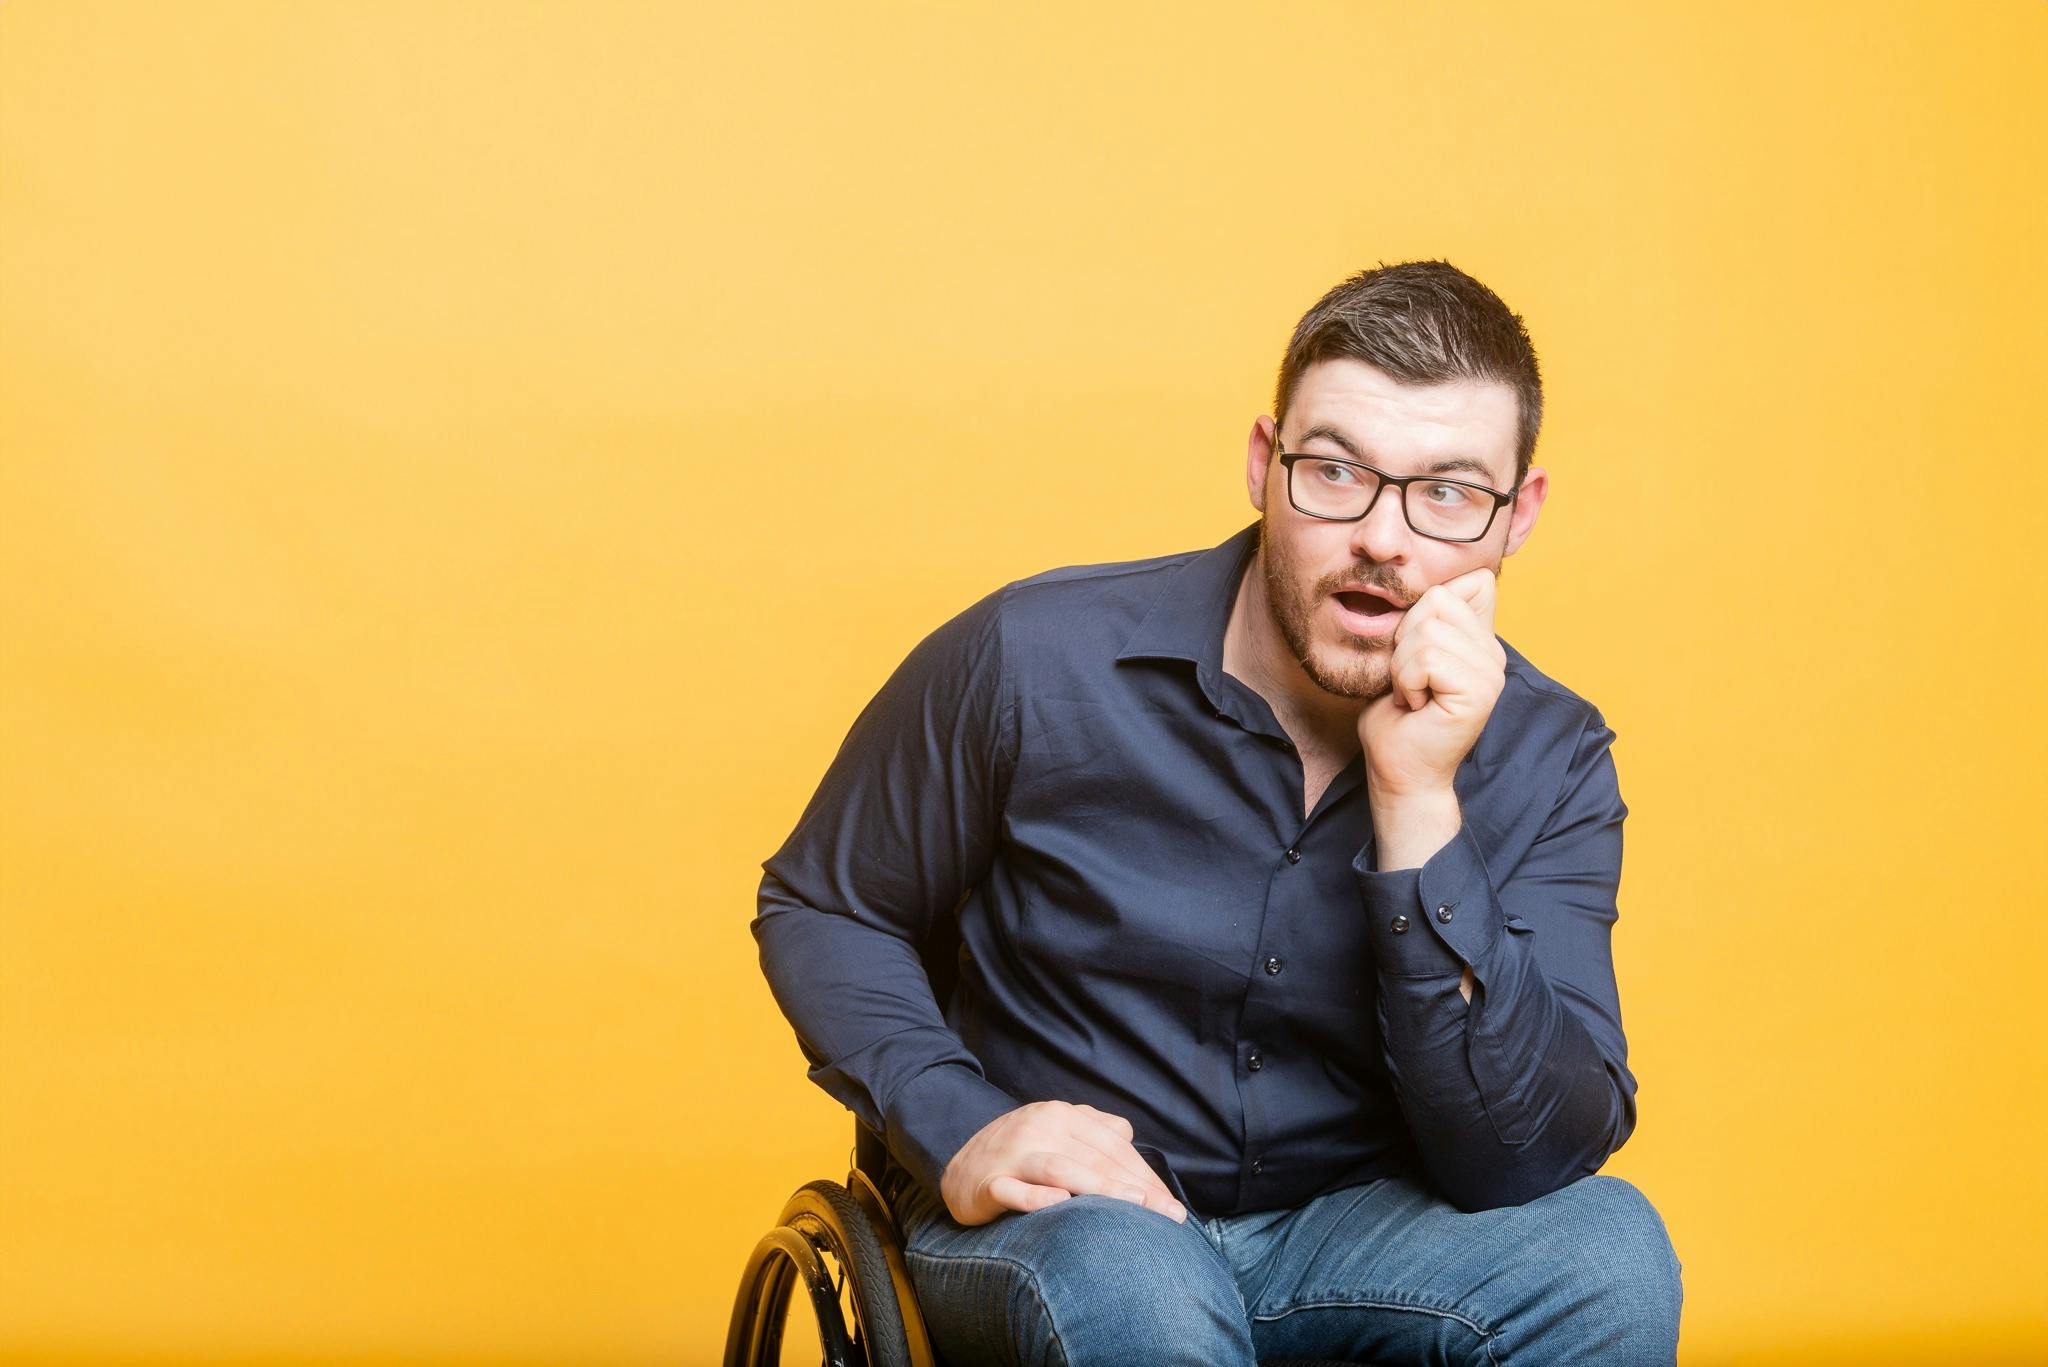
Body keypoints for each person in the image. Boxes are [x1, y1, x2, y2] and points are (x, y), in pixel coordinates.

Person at [752, 259, 1683, 1364]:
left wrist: (1418, 799)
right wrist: (956, 1119)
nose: (1383, 538)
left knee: (1607, 1253)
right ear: (1261, 462)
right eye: (1335, 471)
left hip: (1350, 1233)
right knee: (1135, 1283)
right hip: (1067, 1228)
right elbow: (823, 900)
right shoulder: (1031, 659)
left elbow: (1526, 1160)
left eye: (1444, 492)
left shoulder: (1550, 755)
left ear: (1515, 515)